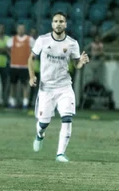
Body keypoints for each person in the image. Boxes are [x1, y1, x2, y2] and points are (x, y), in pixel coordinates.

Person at [29, 11, 89, 162]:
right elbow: (31, 58)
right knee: (43, 123)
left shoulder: (72, 43)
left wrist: (81, 61)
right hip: (46, 89)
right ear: (52, 24)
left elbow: (76, 64)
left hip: (64, 87)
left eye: (61, 21)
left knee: (67, 118)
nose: (58, 24)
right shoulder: (42, 40)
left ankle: (60, 154)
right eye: (55, 21)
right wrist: (32, 76)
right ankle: (39, 135)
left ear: (66, 24)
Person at [7, 24, 35, 109]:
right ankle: (12, 101)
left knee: (25, 85)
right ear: (17, 29)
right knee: (13, 84)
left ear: (24, 29)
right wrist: (12, 56)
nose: (21, 30)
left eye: (22, 29)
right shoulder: (12, 39)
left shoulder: (30, 39)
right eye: (19, 29)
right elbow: (7, 49)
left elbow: (34, 50)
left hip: (25, 66)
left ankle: (25, 102)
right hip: (14, 65)